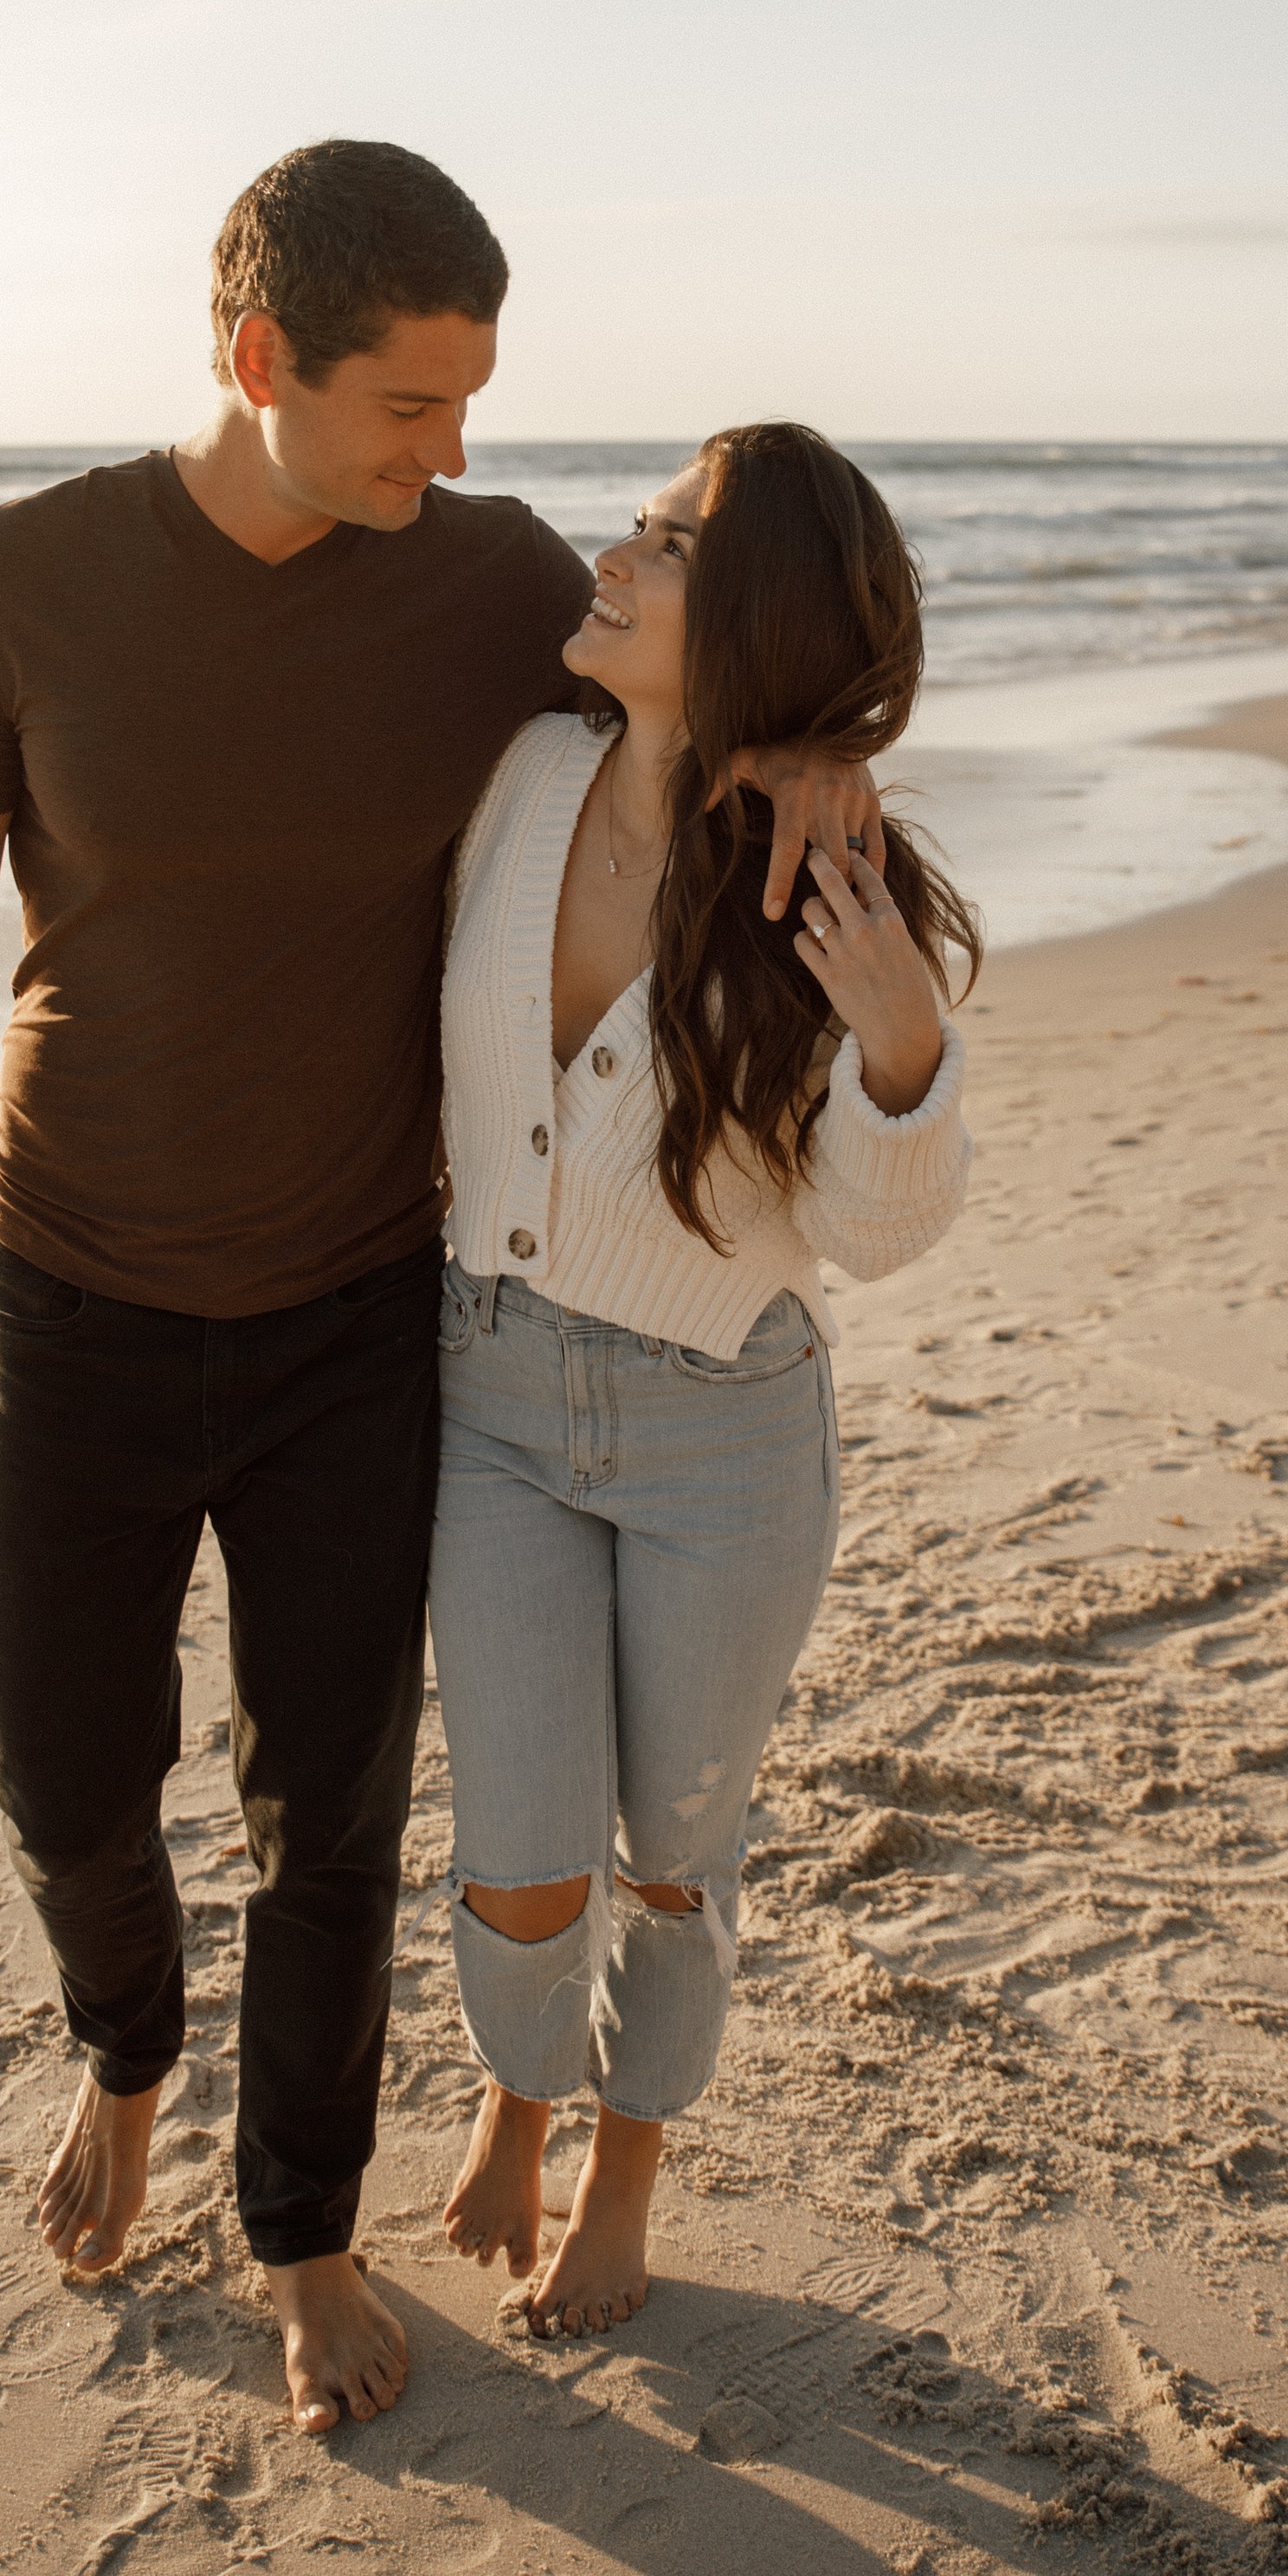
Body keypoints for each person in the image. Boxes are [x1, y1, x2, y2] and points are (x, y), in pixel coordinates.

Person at [0, 142, 885, 2434]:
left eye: (477, 399)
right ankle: (123, 2043)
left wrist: (815, 743)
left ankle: (297, 2222)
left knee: (334, 1812)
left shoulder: (477, 575)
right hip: (76, 1291)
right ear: (255, 362)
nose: (462, 455)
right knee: (62, 1776)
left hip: (357, 1318)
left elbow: (711, 659)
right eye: (413, 404)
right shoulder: (13, 586)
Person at [431, 421, 978, 2334]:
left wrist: (901, 1045)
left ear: (736, 617)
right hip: (487, 1401)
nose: (616, 553)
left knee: (672, 1853)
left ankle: (622, 2168)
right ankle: (512, 2085)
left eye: (661, 542)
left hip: (716, 1430)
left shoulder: (823, 869)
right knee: (514, 1851)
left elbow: (869, 1227)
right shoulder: (519, 775)